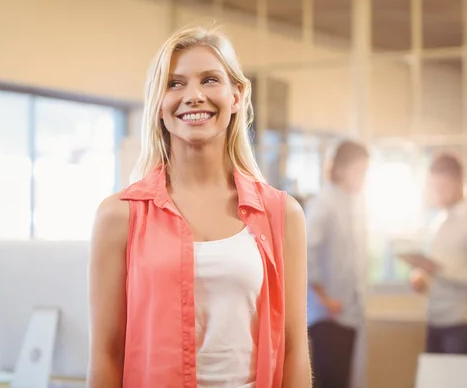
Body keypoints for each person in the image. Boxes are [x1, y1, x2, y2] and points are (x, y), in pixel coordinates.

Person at [87, 24, 311, 388]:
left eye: (210, 80)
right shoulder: (120, 215)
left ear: (236, 96)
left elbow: (294, 350)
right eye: (175, 84)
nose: (193, 96)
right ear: (158, 104)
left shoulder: (282, 214)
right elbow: (105, 353)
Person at [410, 153, 467, 355]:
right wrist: (422, 277)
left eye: (443, 188)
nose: (438, 194)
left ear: (459, 182)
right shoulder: (438, 221)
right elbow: (435, 270)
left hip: (464, 323)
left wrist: (438, 271)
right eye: (435, 188)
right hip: (435, 318)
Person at [306, 140, 370, 388]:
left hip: (349, 314)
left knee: (342, 381)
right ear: (341, 169)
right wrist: (325, 298)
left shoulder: (353, 203)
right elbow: (306, 253)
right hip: (328, 316)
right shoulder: (325, 203)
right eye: (360, 171)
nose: (363, 178)